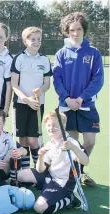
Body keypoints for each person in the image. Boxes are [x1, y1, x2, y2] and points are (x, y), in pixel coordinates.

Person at [53, 12, 104, 187]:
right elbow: (57, 79)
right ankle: (73, 174)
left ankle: (80, 170)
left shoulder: (93, 53)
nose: (76, 33)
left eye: (79, 29)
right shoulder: (61, 53)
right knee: (72, 143)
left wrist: (82, 98)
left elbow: (98, 80)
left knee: (89, 142)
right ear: (67, 32)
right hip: (67, 107)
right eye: (72, 30)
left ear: (84, 30)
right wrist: (67, 99)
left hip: (86, 106)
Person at [17, 112, 89, 214]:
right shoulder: (50, 143)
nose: (51, 128)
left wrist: (73, 148)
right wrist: (41, 156)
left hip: (63, 183)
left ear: (63, 126)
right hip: (49, 175)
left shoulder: (71, 142)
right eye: (49, 125)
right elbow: (40, 170)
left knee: (39, 208)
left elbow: (86, 161)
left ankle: (69, 198)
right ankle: (46, 190)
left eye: (55, 125)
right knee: (20, 175)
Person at [11, 26, 52, 169]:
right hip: (22, 104)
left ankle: (39, 170)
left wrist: (40, 91)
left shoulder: (45, 60)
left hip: (37, 104)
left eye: (39, 39)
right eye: (33, 39)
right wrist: (26, 99)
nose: (36, 42)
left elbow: (47, 84)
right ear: (25, 41)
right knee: (23, 140)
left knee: (34, 141)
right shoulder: (19, 58)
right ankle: (26, 172)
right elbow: (14, 85)